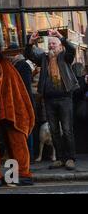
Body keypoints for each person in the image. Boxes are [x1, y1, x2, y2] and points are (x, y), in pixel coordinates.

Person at [25, 29, 79, 170]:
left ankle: (70, 158)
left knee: (67, 130)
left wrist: (60, 36)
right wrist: (30, 43)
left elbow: (72, 49)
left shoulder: (65, 56)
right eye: (49, 44)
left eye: (54, 43)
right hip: (49, 99)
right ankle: (60, 158)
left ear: (60, 46)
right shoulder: (44, 58)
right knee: (54, 130)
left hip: (65, 98)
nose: (51, 46)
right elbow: (29, 55)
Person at [7, 43, 37, 161]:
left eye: (10, 54)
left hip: (24, 102)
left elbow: (24, 85)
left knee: (25, 129)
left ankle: (28, 156)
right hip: (20, 101)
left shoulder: (22, 65)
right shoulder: (16, 65)